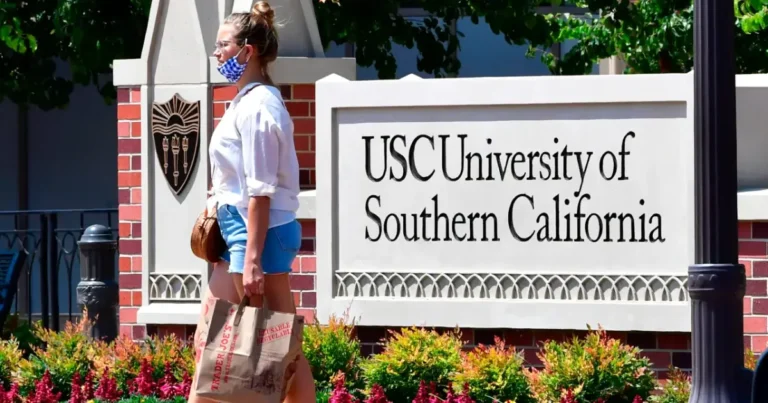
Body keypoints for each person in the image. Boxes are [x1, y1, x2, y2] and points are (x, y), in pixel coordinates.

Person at [188, 2, 316, 402]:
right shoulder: (244, 101)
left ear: (249, 50)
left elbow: (260, 190)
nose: (216, 53)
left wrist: (253, 260)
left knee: (228, 340)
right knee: (274, 344)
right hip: (242, 229)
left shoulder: (259, 107)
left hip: (256, 233)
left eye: (223, 45)